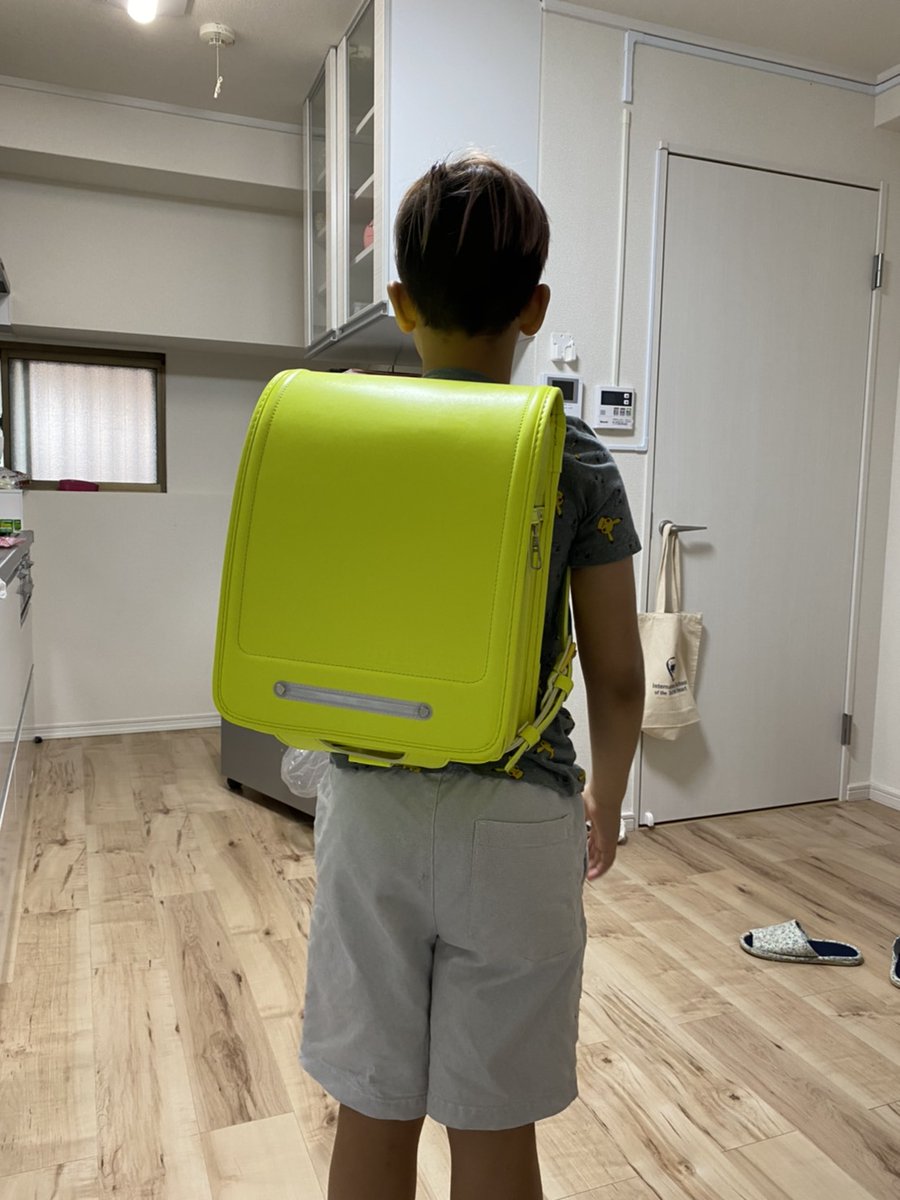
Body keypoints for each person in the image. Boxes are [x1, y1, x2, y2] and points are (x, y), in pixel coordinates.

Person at [300, 151, 645, 1200]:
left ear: (399, 302)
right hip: (519, 820)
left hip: (370, 812)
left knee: (373, 1104)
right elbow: (621, 673)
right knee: (495, 1119)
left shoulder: (347, 438)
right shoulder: (575, 458)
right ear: (535, 308)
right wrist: (609, 800)